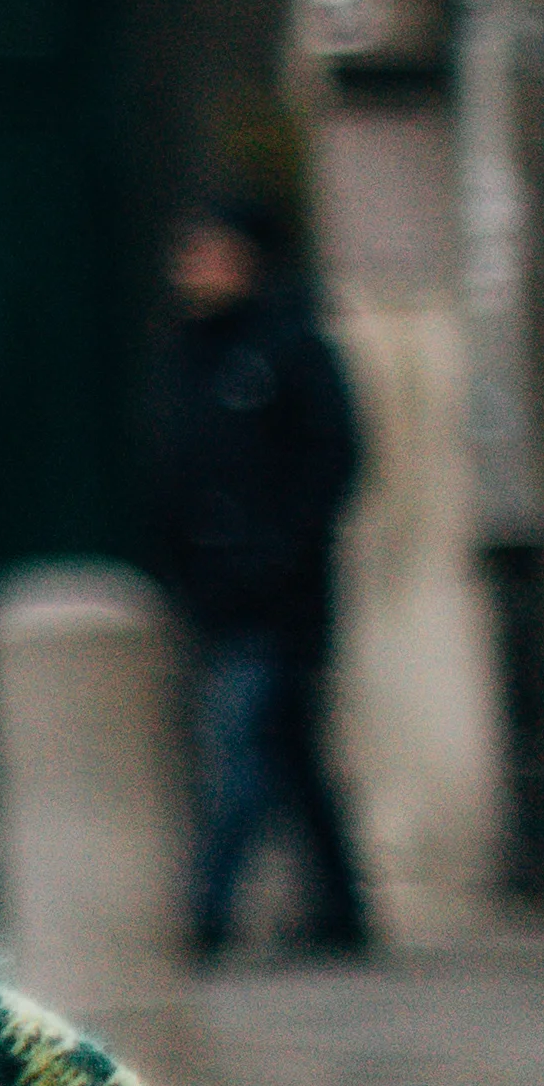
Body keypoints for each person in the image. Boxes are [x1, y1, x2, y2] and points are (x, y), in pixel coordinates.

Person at [151, 193, 373, 962]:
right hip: (217, 591)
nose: (190, 270)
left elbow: (334, 458)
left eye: (205, 254)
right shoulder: (191, 352)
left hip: (276, 598)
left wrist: (276, 550)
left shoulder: (288, 349)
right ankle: (342, 912)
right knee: (291, 757)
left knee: (245, 748)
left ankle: (207, 914)